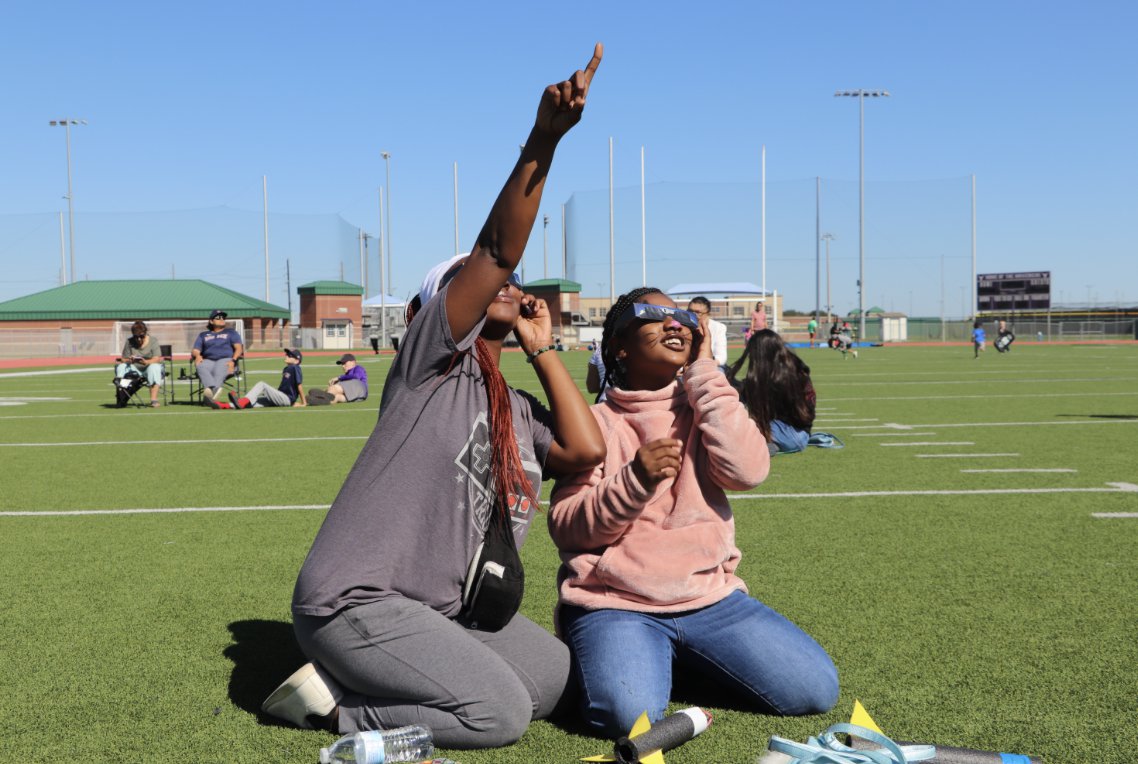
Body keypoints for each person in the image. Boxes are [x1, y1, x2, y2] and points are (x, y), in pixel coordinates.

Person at [262, 45, 606, 750]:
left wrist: (542, 348)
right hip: (354, 602)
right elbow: (496, 250)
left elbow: (585, 448)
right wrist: (545, 138)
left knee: (552, 679)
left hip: (440, 612)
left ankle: (398, 672)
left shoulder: (507, 400)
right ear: (442, 307)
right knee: (499, 714)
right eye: (476, 284)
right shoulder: (431, 369)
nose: (505, 286)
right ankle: (337, 708)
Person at [548, 287, 838, 739]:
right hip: (617, 604)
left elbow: (749, 471)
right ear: (619, 345)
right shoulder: (596, 422)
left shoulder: (707, 406)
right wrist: (633, 482)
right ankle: (617, 652)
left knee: (815, 690)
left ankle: (663, 660)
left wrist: (704, 372)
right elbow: (567, 529)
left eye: (682, 316)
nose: (675, 323)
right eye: (654, 314)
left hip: (709, 599)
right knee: (627, 718)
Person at [728, 329, 816, 455]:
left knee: (740, 424)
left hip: (788, 434)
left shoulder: (773, 379)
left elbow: (748, 399)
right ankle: (768, 444)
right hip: (801, 435)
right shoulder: (793, 368)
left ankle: (765, 445)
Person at [191, 309, 243, 406]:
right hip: (208, 360)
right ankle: (212, 391)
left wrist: (233, 361)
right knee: (200, 366)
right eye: (218, 318)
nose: (222, 319)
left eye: (223, 317)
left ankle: (209, 395)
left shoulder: (231, 333)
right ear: (211, 321)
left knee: (219, 370)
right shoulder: (203, 335)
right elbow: (195, 350)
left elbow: (239, 348)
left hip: (226, 359)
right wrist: (197, 356)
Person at [228, 348, 306, 408]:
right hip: (282, 397)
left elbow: (299, 385)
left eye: (290, 355)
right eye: (287, 354)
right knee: (253, 401)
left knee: (262, 385)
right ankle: (224, 405)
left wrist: (304, 403)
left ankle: (241, 402)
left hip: (286, 399)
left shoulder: (295, 368)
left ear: (296, 361)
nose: (286, 356)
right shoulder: (287, 369)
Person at [113, 320, 164, 408]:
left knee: (155, 367)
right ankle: (120, 394)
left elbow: (157, 358)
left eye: (141, 336)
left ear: (145, 333)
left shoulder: (153, 341)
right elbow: (123, 359)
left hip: (148, 367)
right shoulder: (129, 342)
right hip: (134, 367)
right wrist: (129, 360)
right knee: (121, 367)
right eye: (136, 336)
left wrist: (146, 362)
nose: (139, 339)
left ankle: (154, 400)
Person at [686, 296, 728, 369]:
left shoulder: (719, 328)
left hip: (710, 365)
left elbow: (721, 357)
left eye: (698, 312)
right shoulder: (682, 327)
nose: (692, 315)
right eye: (690, 311)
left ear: (708, 314)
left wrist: (703, 366)